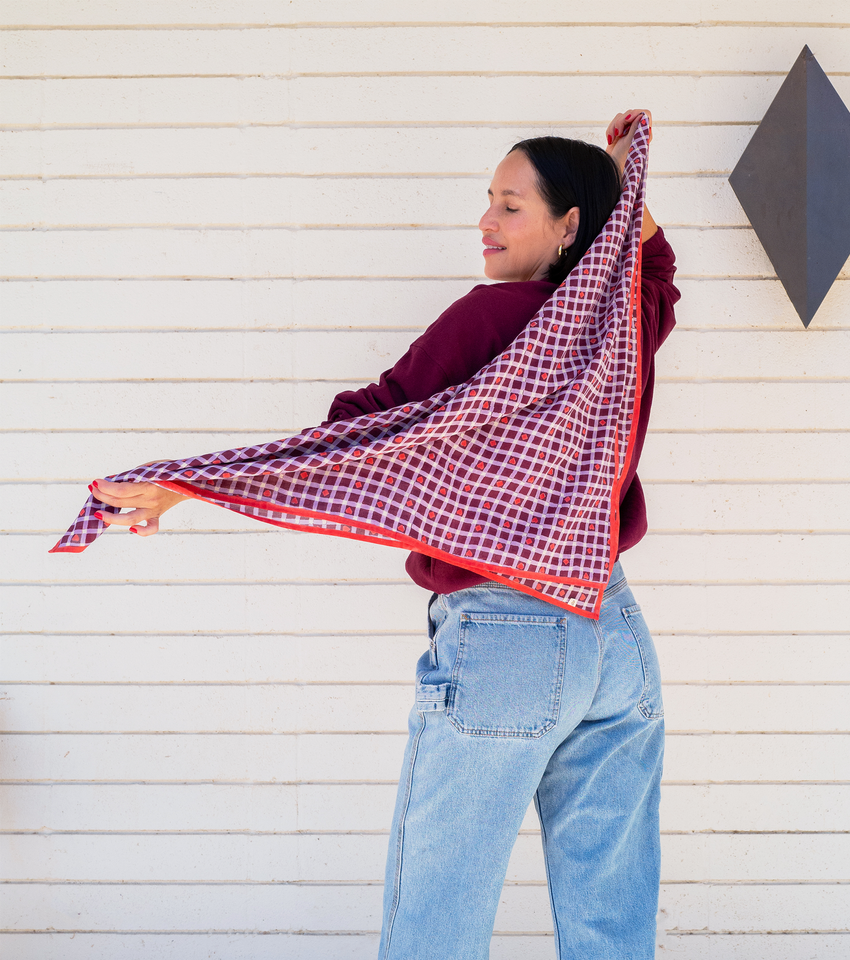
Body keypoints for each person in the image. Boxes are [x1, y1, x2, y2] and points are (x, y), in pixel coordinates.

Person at [89, 110, 681, 959]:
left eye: (510, 205)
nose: (486, 221)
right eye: (488, 201)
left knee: (435, 923)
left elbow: (358, 436)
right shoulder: (624, 329)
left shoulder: (491, 318)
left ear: (568, 226)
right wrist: (627, 178)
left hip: (507, 637)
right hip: (615, 640)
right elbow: (654, 263)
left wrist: (188, 488)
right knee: (611, 926)